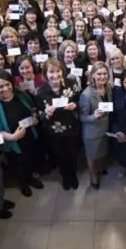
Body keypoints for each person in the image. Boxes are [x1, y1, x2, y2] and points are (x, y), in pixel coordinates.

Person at [0, 71, 45, 197]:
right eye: (0, 87)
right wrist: (13, 137)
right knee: (17, 164)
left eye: (7, 84)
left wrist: (34, 118)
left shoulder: (20, 94)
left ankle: (30, 178)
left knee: (29, 159)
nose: (5, 89)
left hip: (29, 135)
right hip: (12, 141)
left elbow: (32, 108)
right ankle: (23, 184)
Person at [35, 58, 82, 190]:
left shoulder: (71, 83)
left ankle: (72, 174)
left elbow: (80, 100)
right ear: (45, 74)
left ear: (63, 71)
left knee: (72, 153)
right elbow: (38, 115)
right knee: (59, 155)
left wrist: (75, 105)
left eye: (58, 71)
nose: (55, 75)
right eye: (51, 72)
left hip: (72, 128)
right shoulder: (40, 92)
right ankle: (65, 176)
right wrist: (46, 114)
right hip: (53, 132)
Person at [79, 62, 113, 189]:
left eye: (105, 74)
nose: (102, 77)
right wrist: (94, 116)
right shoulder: (86, 94)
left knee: (102, 152)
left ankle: (99, 168)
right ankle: (93, 175)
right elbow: (82, 117)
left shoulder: (108, 88)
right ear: (92, 75)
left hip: (105, 128)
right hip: (92, 132)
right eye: (99, 74)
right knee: (92, 155)